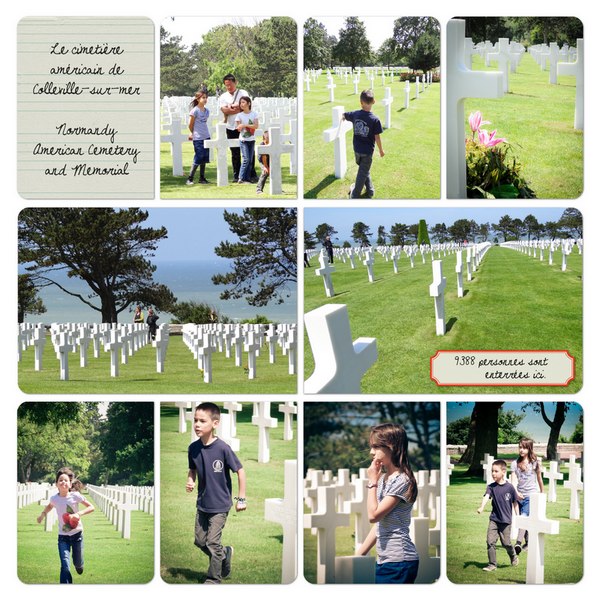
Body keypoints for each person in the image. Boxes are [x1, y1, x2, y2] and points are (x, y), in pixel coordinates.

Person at [186, 402, 247, 584]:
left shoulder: (223, 448)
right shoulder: (193, 448)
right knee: (200, 541)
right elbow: (192, 470)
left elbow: (240, 471)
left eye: (202, 421)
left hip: (220, 505)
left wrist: (241, 498)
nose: (197, 424)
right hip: (202, 503)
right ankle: (224, 554)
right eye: (195, 420)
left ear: (215, 423)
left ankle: (213, 580)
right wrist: (190, 480)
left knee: (212, 542)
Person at [355, 423, 420, 584]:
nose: (371, 452)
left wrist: (372, 481)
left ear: (391, 447)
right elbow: (380, 525)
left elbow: (373, 515)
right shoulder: (384, 479)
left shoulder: (403, 480)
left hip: (399, 562)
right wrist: (359, 555)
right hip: (386, 560)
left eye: (376, 447)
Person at [36, 467, 95, 584]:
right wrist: (42, 515)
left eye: (65, 480)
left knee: (77, 562)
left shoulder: (75, 496)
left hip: (77, 535)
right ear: (56, 484)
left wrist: (79, 514)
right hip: (63, 537)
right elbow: (49, 506)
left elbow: (91, 507)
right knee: (65, 565)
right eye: (60, 480)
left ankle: (79, 565)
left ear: (70, 484)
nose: (63, 482)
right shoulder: (55, 498)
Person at [477, 459, 519, 572]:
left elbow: (515, 502)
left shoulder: (510, 487)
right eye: (492, 471)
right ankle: (492, 564)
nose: (493, 473)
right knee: (490, 541)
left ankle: (513, 555)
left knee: (506, 543)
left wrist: (518, 515)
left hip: (506, 521)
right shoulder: (491, 487)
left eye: (496, 471)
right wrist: (482, 507)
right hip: (494, 519)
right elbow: (486, 496)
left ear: (503, 472)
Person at [342, 89, 385, 199]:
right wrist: (380, 150)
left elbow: (346, 115)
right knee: (363, 172)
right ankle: (357, 194)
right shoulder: (375, 120)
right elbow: (377, 137)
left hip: (357, 150)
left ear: (361, 102)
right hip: (367, 152)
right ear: (373, 102)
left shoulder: (355, 114)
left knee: (363, 170)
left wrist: (342, 115)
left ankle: (366, 192)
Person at [219, 74, 256, 182]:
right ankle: (237, 175)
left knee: (249, 151)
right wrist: (238, 108)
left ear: (236, 83)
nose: (229, 87)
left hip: (245, 126)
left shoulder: (243, 93)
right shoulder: (223, 97)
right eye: (226, 85)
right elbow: (225, 111)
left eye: (230, 84)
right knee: (235, 152)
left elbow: (247, 107)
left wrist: (233, 108)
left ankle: (251, 174)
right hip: (231, 127)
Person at [511, 438, 544, 554]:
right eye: (520, 447)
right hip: (519, 496)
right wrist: (516, 492)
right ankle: (528, 543)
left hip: (531, 496)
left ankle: (518, 543)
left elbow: (539, 479)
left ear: (529, 448)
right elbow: (513, 480)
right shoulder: (515, 463)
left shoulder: (535, 463)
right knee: (522, 519)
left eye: (524, 447)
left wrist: (542, 493)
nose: (521, 450)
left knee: (524, 517)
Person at [186, 89, 211, 185]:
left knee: (204, 158)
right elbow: (190, 124)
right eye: (203, 98)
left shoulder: (207, 111)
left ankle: (202, 178)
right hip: (198, 138)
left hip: (206, 136)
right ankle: (190, 178)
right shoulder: (194, 111)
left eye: (206, 98)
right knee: (198, 157)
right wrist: (193, 133)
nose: (205, 99)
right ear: (198, 99)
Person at [234, 97, 259, 184]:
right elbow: (238, 128)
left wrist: (244, 125)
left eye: (243, 102)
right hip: (243, 140)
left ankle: (247, 178)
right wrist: (242, 126)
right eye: (240, 102)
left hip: (251, 140)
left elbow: (256, 126)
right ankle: (241, 178)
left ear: (249, 103)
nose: (241, 104)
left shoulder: (254, 114)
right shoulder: (239, 115)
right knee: (246, 159)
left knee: (250, 160)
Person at [256, 130, 270, 194]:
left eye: (269, 137)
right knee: (265, 172)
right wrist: (266, 167)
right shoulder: (262, 145)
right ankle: (259, 189)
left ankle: (277, 188)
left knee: (275, 171)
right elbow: (263, 157)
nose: (268, 139)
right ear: (264, 138)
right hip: (262, 160)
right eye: (267, 138)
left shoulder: (273, 143)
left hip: (270, 159)